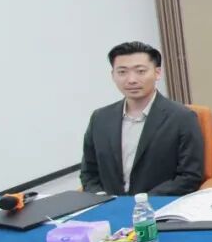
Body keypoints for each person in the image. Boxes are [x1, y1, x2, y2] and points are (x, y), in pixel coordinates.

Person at [81, 42, 203, 195]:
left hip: (158, 204)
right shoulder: (100, 118)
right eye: (122, 72)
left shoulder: (182, 118)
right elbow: (89, 173)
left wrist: (142, 202)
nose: (131, 80)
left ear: (157, 73)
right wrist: (101, 198)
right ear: (113, 75)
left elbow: (189, 177)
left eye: (140, 71)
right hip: (109, 205)